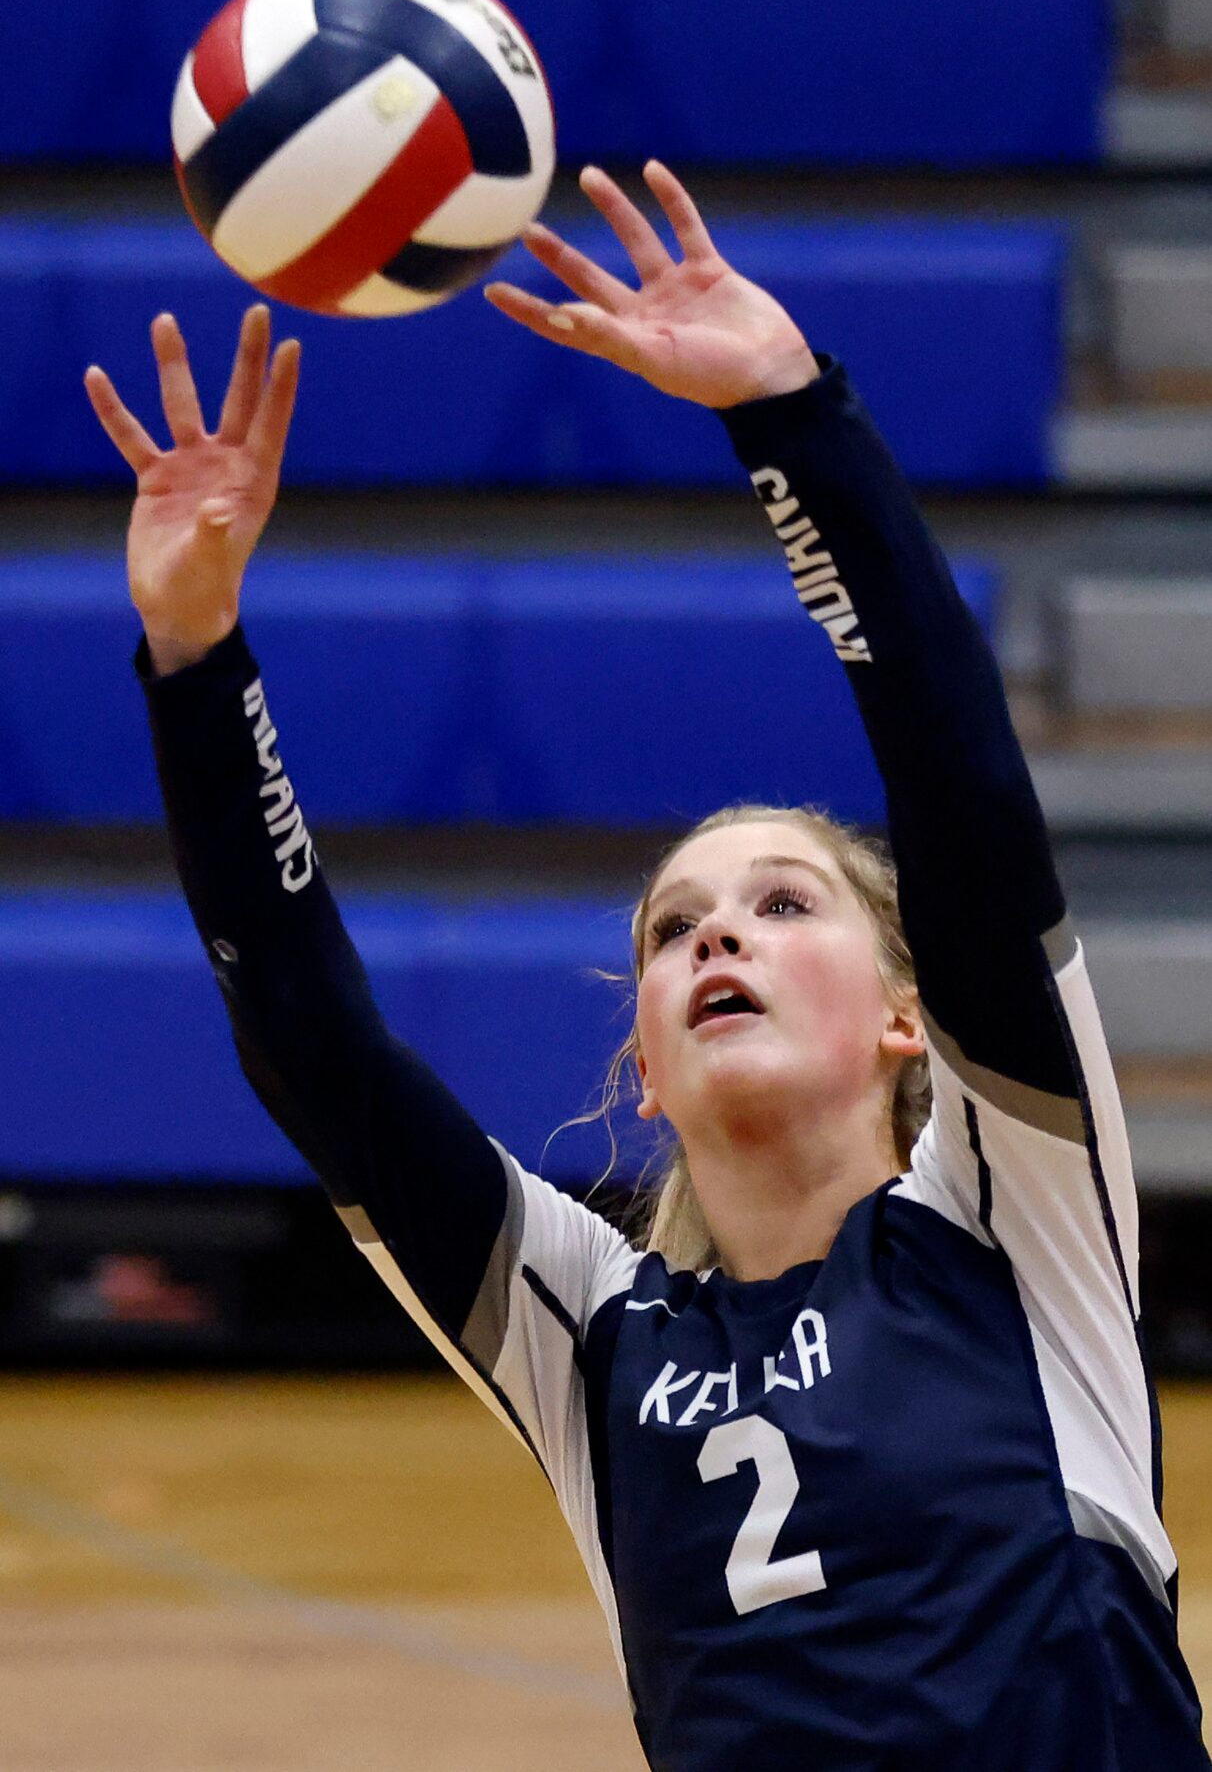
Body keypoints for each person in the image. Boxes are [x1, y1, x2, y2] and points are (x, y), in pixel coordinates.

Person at [86, 160, 1208, 1770]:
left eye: (782, 904)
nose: (719, 937)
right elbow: (309, 1037)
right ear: (649, 1068)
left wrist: (788, 414)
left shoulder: (1007, 1224)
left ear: (910, 1016)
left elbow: (959, 792)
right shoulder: (594, 1332)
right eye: (677, 927)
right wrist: (194, 656)